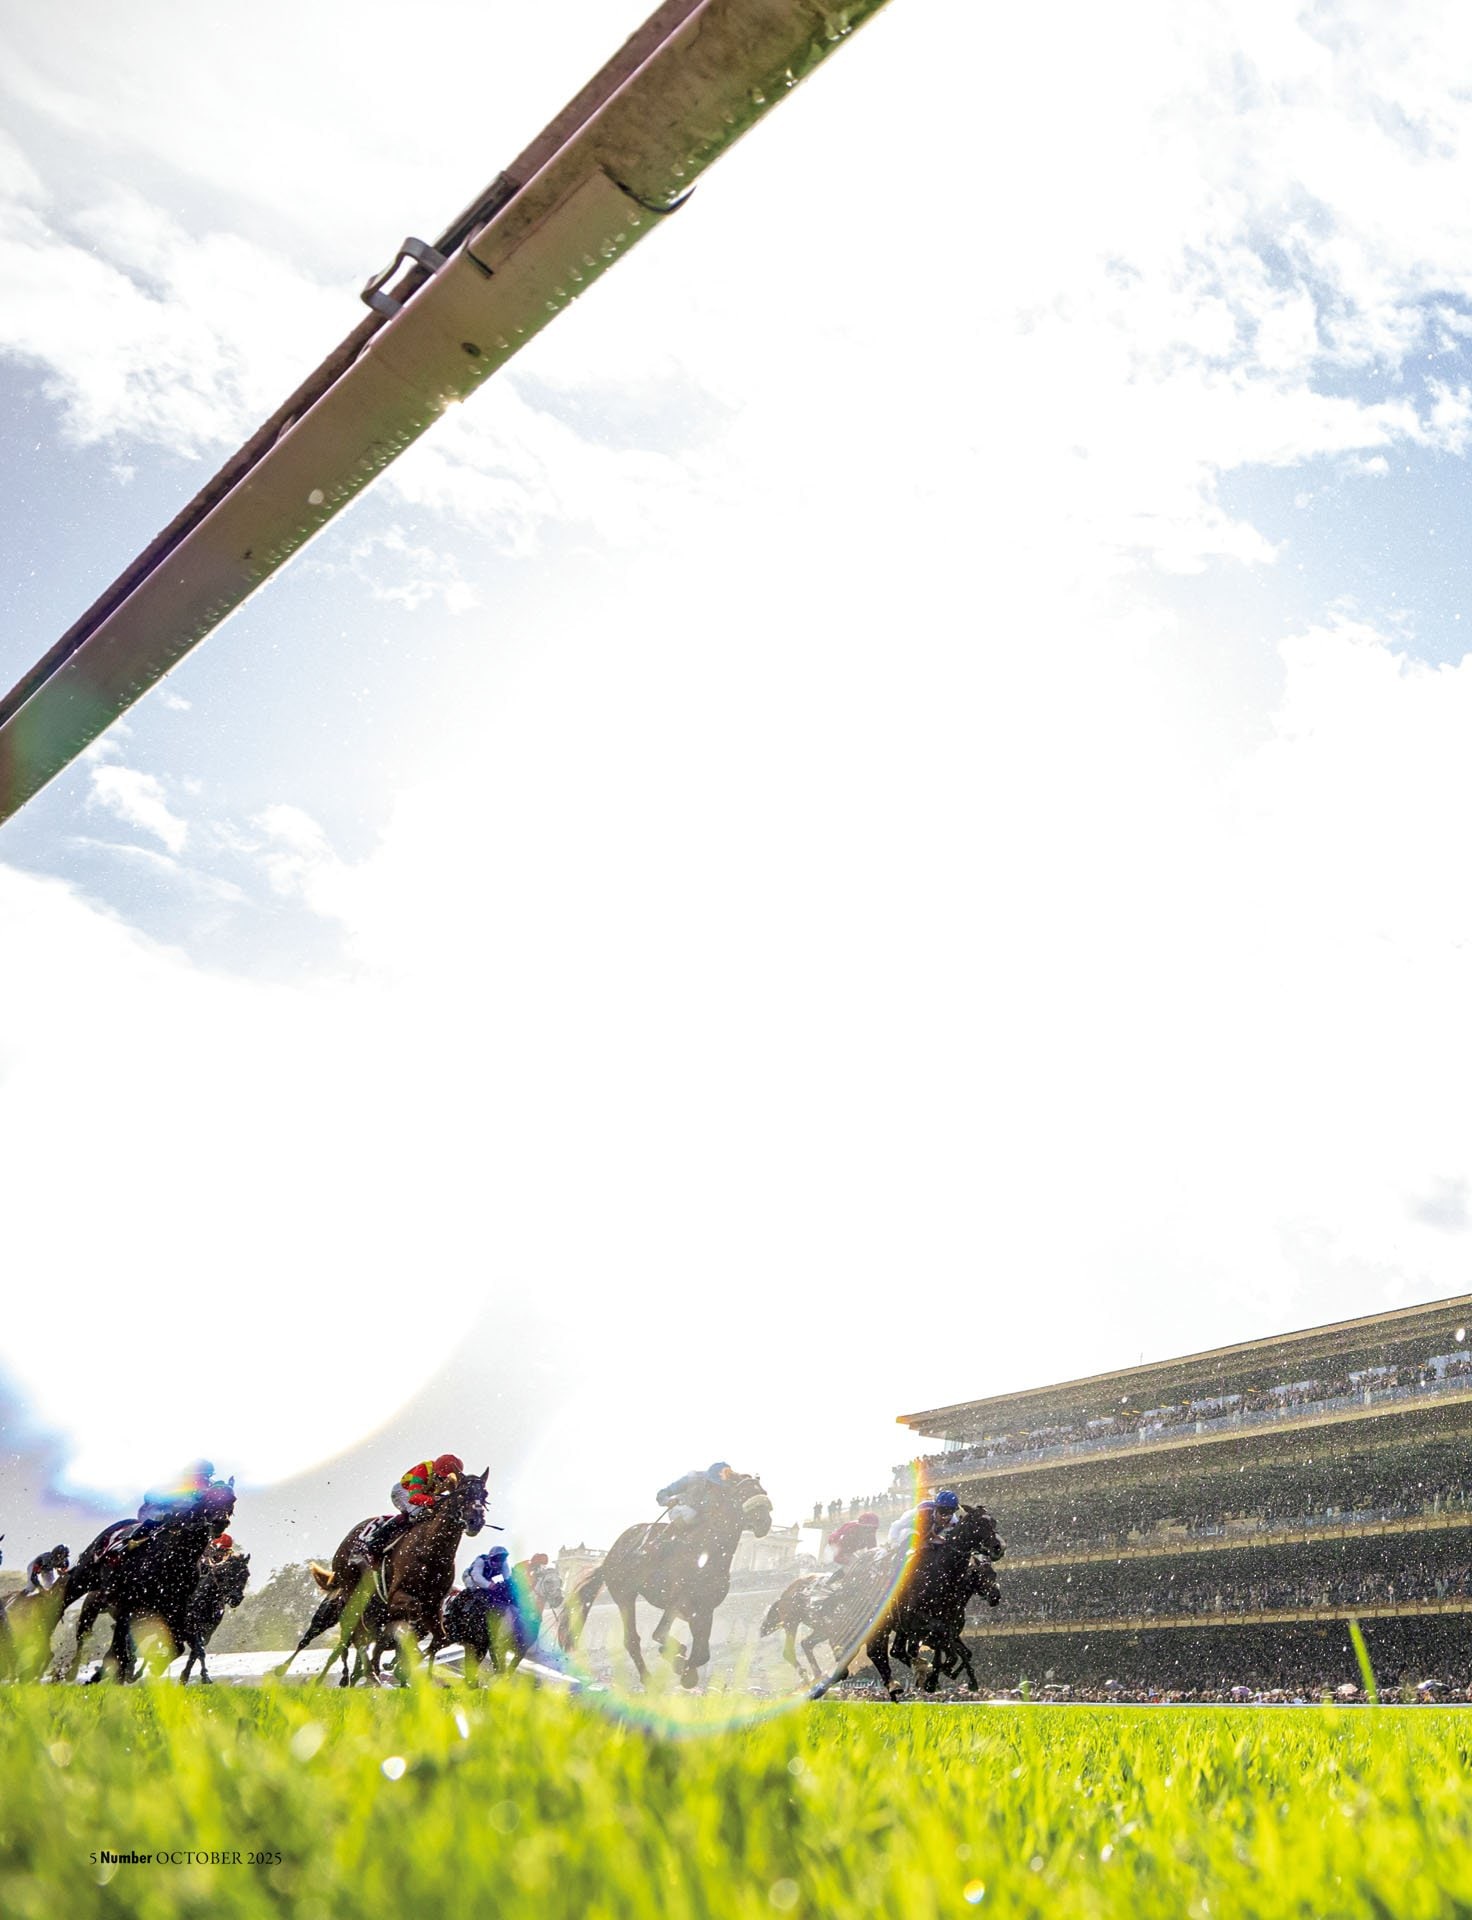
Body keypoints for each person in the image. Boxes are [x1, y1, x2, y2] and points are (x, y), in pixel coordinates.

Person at [371, 1453, 465, 1552]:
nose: (447, 1481)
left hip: (426, 1495)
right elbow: (414, 1497)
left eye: (451, 1478)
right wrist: (435, 1500)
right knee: (417, 1512)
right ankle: (375, 1540)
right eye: (444, 1478)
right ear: (437, 1472)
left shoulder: (450, 1478)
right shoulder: (423, 1469)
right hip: (404, 1492)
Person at [656, 1463, 735, 1532]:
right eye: (715, 1484)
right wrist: (668, 1501)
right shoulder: (692, 1479)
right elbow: (662, 1494)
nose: (716, 1487)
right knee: (691, 1513)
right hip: (682, 1511)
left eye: (719, 1485)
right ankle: (676, 1532)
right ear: (708, 1479)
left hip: (703, 1518)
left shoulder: (725, 1488)